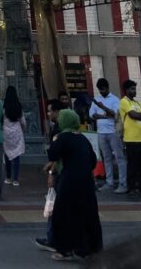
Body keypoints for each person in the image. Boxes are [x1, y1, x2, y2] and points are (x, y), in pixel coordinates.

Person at [45, 109, 103, 261]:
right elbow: (92, 160)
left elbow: (52, 154)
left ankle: (64, 249)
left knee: (63, 214)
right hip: (87, 181)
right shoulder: (82, 138)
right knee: (88, 214)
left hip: (69, 180)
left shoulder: (63, 137)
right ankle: (90, 248)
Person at [89, 78, 127, 194]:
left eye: (103, 90)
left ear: (107, 87)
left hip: (113, 131)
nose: (102, 92)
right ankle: (109, 182)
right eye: (100, 90)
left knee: (119, 157)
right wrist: (104, 116)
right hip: (101, 132)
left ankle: (122, 183)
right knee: (107, 158)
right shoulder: (96, 99)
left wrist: (102, 107)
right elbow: (92, 115)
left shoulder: (115, 99)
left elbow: (115, 114)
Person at [119, 80, 141, 195]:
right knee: (132, 165)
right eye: (132, 89)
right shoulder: (124, 101)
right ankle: (132, 188)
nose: (134, 91)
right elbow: (133, 115)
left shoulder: (137, 103)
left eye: (135, 89)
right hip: (131, 139)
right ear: (126, 90)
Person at [3, 85, 26, 187]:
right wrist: (24, 129)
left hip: (6, 132)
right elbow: (22, 120)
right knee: (16, 155)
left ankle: (8, 177)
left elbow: (1, 119)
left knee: (7, 154)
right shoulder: (18, 106)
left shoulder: (4, 106)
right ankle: (15, 179)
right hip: (16, 131)